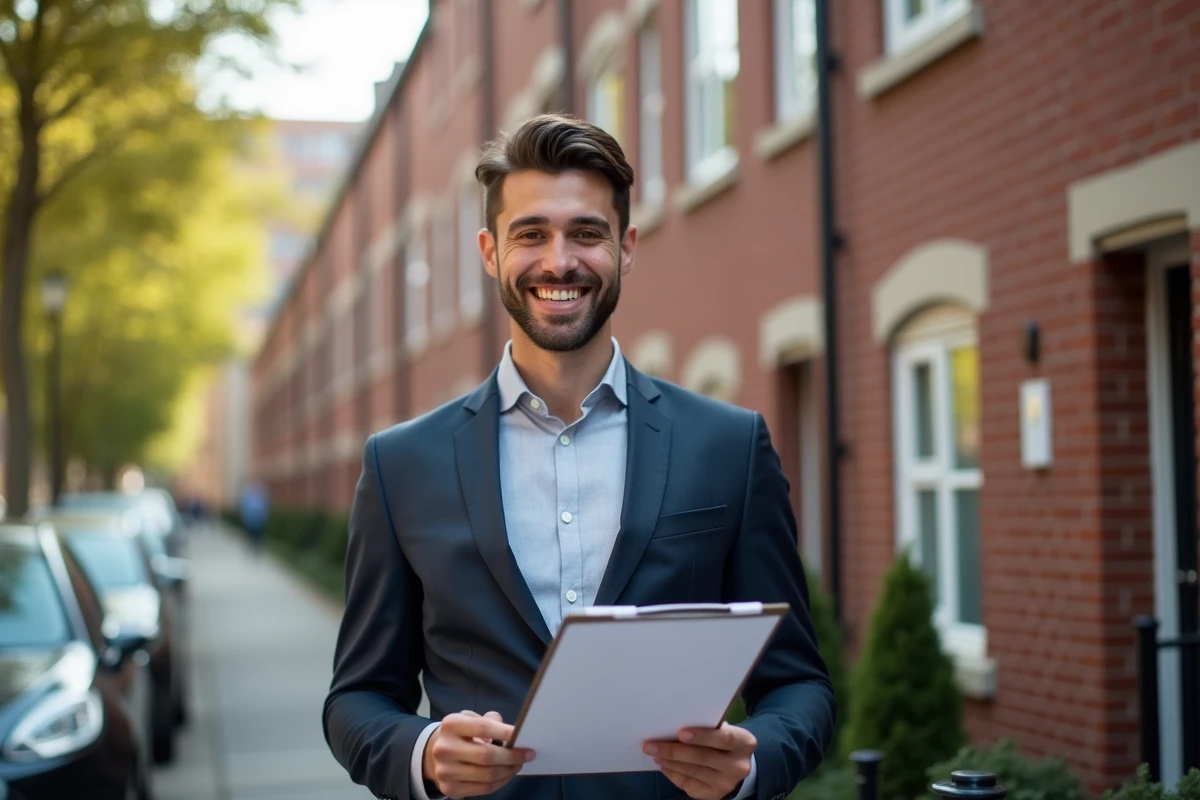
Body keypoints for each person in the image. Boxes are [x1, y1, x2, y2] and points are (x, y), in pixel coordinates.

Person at [323, 114, 835, 800]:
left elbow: (800, 684)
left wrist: (754, 762)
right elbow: (356, 699)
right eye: (530, 234)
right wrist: (422, 754)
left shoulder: (730, 446)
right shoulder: (401, 466)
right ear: (489, 251)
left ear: (625, 248)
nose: (559, 261)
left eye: (586, 234)